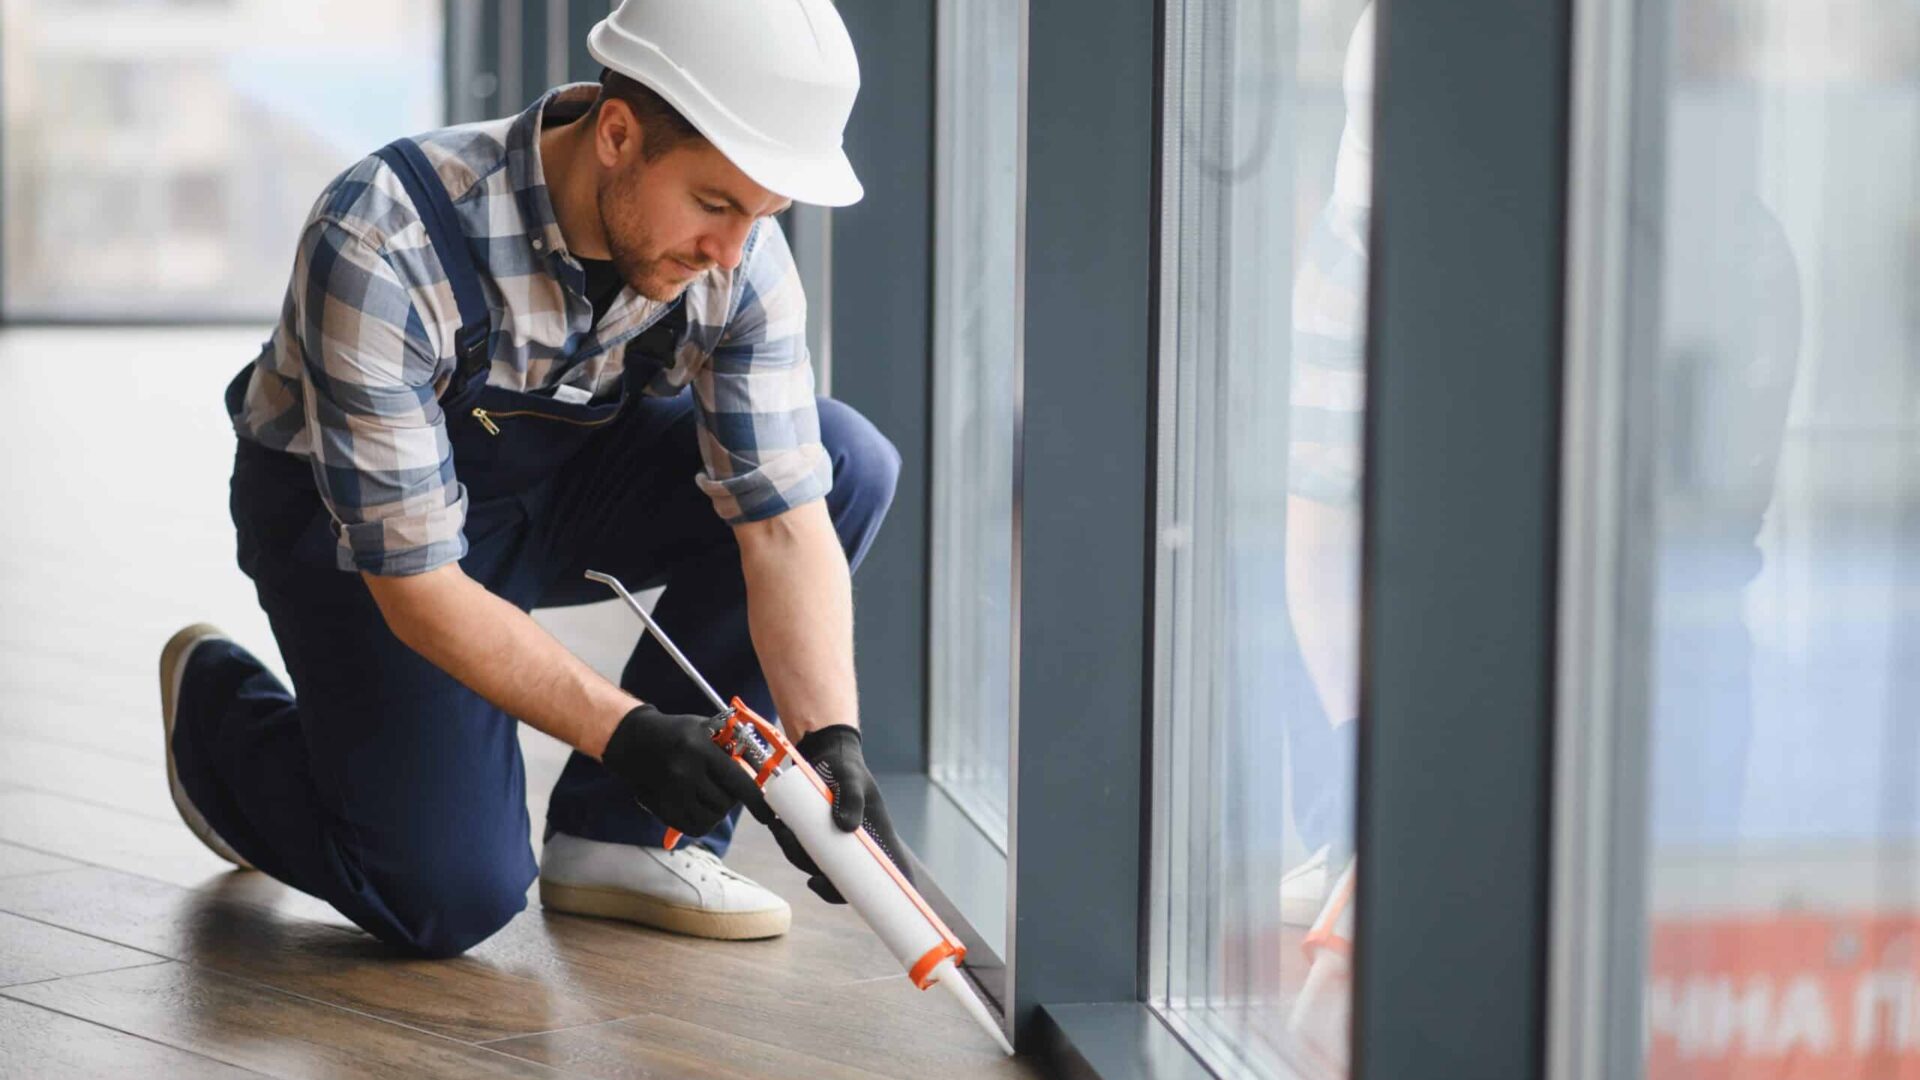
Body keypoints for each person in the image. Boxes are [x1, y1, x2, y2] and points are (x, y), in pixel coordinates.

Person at [157, 0, 909, 958]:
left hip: (555, 496)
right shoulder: (385, 238)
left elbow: (782, 522)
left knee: (843, 465)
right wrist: (629, 731)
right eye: (714, 203)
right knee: (447, 895)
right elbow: (422, 587)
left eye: (762, 213)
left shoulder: (737, 255)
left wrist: (828, 737)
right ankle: (221, 722)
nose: (733, 248)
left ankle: (622, 839)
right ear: (618, 132)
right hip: (354, 536)